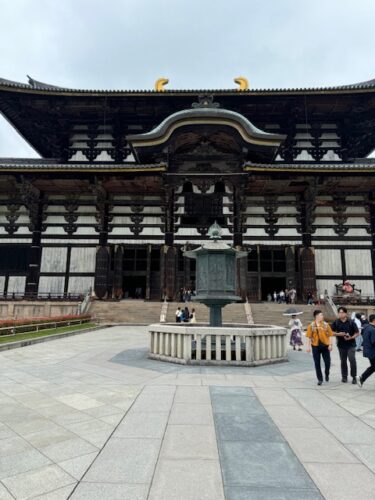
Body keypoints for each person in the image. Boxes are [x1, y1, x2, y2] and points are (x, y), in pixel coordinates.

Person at [331, 306, 359, 384]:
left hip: (351, 344)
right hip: (341, 345)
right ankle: (344, 377)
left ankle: (354, 377)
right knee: (343, 361)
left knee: (352, 360)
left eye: (342, 312)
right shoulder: (336, 322)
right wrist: (338, 334)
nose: (340, 314)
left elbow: (357, 333)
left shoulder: (351, 322)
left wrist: (351, 337)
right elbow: (330, 332)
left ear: (346, 313)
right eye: (339, 312)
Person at [306, 310, 334, 385]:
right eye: (321, 315)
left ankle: (327, 373)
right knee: (317, 363)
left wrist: (330, 345)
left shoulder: (325, 325)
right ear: (316, 316)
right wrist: (308, 347)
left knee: (327, 363)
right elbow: (309, 337)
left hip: (325, 346)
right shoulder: (311, 326)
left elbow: (331, 335)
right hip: (315, 346)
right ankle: (320, 379)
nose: (322, 316)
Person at [356, 314, 375, 387]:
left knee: (373, 367)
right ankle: (361, 378)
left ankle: (361, 378)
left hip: (368, 351)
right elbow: (374, 342)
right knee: (373, 367)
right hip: (373, 352)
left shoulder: (366, 327)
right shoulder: (373, 330)